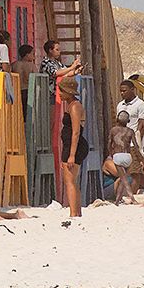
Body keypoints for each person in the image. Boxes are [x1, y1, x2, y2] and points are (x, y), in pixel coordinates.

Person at [58, 76, 88, 217]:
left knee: (69, 181)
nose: (60, 93)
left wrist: (71, 154)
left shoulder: (75, 106)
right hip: (70, 145)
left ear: (69, 92)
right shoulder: (71, 105)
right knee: (72, 181)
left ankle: (73, 213)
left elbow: (76, 132)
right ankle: (77, 212)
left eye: (62, 91)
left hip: (73, 146)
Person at [103, 110, 135, 204]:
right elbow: (135, 145)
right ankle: (126, 198)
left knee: (124, 178)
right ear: (128, 121)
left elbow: (109, 143)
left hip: (118, 155)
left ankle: (122, 198)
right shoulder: (130, 131)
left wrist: (112, 153)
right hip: (127, 156)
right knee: (124, 178)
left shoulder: (113, 130)